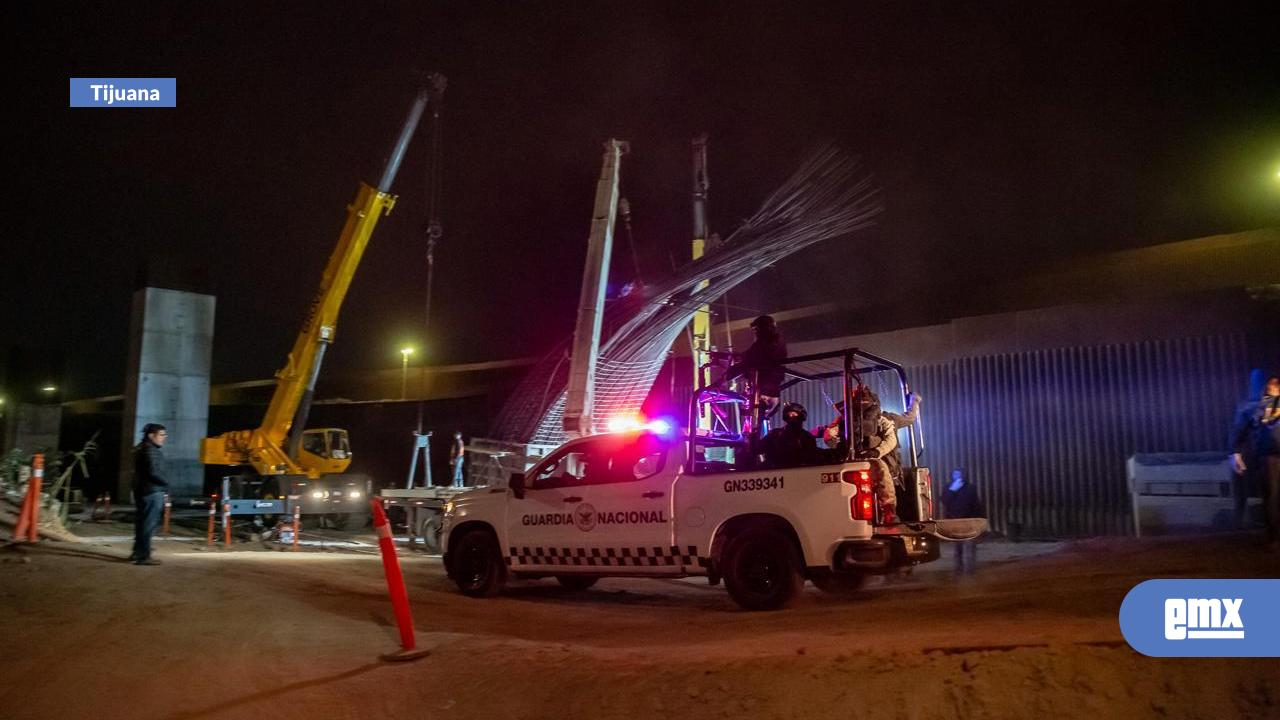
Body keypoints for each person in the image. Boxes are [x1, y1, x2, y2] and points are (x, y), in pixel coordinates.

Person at [1235, 375, 1280, 550]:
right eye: (1271, 386)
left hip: (1270, 453)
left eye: (1276, 386)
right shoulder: (1255, 407)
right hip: (1269, 455)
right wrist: (1235, 452)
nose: (1274, 389)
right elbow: (1241, 429)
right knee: (1272, 497)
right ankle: (1275, 538)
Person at [724, 315, 788, 417]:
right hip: (767, 388)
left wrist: (727, 376)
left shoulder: (769, 342)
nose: (755, 333)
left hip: (764, 386)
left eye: (756, 330)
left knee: (755, 419)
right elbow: (751, 354)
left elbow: (752, 356)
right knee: (754, 419)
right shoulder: (771, 341)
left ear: (764, 328)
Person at [1229, 370, 1266, 529]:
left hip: (1251, 451)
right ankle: (1242, 519)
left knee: (1243, 488)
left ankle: (1240, 519)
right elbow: (1238, 430)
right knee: (1266, 488)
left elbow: (1237, 430)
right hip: (1256, 451)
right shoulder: (1255, 406)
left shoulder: (1245, 406)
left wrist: (1234, 451)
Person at [130, 423, 169, 566]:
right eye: (161, 434)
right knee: (148, 524)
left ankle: (137, 552)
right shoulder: (150, 450)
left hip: (143, 490)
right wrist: (166, 483)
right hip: (152, 491)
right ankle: (144, 556)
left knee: (142, 523)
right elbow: (153, 471)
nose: (164, 437)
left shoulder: (141, 448)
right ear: (151, 435)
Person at [942, 468, 985, 575]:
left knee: (970, 547)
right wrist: (952, 490)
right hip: (955, 521)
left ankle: (970, 570)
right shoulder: (948, 487)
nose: (957, 476)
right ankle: (958, 569)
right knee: (958, 547)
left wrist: (979, 520)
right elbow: (944, 501)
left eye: (959, 474)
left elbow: (976, 504)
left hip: (969, 521)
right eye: (955, 474)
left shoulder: (970, 488)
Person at [759, 402, 818, 468]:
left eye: (794, 414)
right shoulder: (774, 434)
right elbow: (759, 449)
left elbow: (813, 459)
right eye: (789, 414)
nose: (791, 416)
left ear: (801, 416)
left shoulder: (808, 437)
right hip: (776, 473)